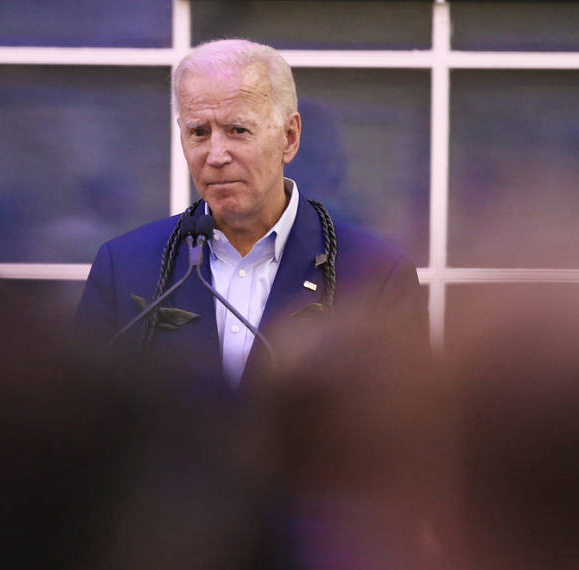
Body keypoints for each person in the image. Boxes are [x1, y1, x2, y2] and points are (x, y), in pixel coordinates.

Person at [75, 39, 425, 391]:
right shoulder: (124, 268)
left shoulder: (376, 275)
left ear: (289, 138)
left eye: (237, 131)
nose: (216, 155)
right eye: (199, 132)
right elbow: (86, 417)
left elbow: (404, 426)